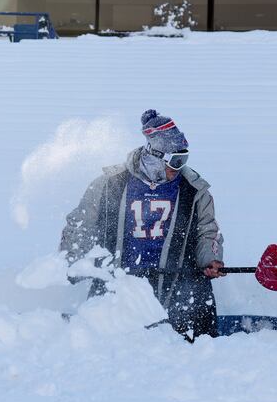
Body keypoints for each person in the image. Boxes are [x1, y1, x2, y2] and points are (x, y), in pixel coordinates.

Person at [60, 109, 225, 340]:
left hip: (177, 285)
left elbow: (208, 232)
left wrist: (210, 260)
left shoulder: (194, 191)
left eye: (183, 159)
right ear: (154, 156)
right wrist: (73, 259)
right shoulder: (109, 185)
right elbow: (81, 224)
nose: (178, 167)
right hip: (118, 286)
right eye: (175, 160)